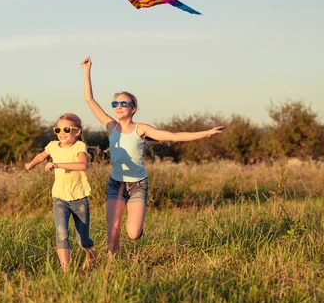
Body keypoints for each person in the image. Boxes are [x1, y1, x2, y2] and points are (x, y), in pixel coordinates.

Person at [81, 56, 224, 257]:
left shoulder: (142, 128)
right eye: (116, 103)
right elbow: (89, 100)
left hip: (138, 185)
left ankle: (137, 229)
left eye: (124, 103)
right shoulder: (111, 126)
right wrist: (87, 71)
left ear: (133, 108)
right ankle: (112, 265)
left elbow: (173, 136)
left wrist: (206, 133)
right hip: (116, 184)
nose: (119, 106)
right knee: (112, 229)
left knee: (132, 233)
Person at [25, 113, 96, 272]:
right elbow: (41, 156)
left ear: (77, 132)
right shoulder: (52, 145)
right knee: (62, 233)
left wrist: (57, 164)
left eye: (66, 129)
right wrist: (30, 164)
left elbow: (82, 165)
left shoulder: (79, 147)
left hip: (79, 198)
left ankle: (90, 254)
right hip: (59, 198)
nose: (61, 133)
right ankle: (66, 271)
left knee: (82, 239)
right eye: (58, 129)